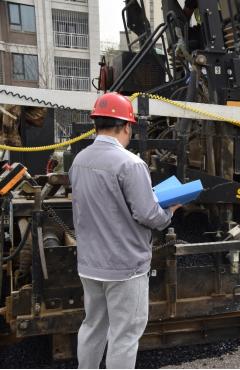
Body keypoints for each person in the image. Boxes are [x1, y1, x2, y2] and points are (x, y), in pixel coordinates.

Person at [69, 92, 181, 368]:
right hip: (125, 267)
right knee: (125, 334)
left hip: (90, 265)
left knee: (93, 325)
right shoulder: (131, 164)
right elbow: (148, 214)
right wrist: (170, 211)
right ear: (126, 126)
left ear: (97, 124)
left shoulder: (79, 160)